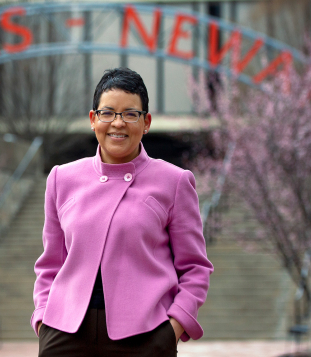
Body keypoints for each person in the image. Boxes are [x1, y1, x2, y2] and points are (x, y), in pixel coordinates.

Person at [32, 67, 213, 357]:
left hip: (144, 336)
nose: (118, 123)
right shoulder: (60, 178)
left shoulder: (175, 181)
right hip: (64, 334)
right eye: (108, 113)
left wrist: (172, 329)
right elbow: (50, 264)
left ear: (146, 123)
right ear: (93, 120)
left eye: (130, 114)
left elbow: (195, 268)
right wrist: (42, 317)